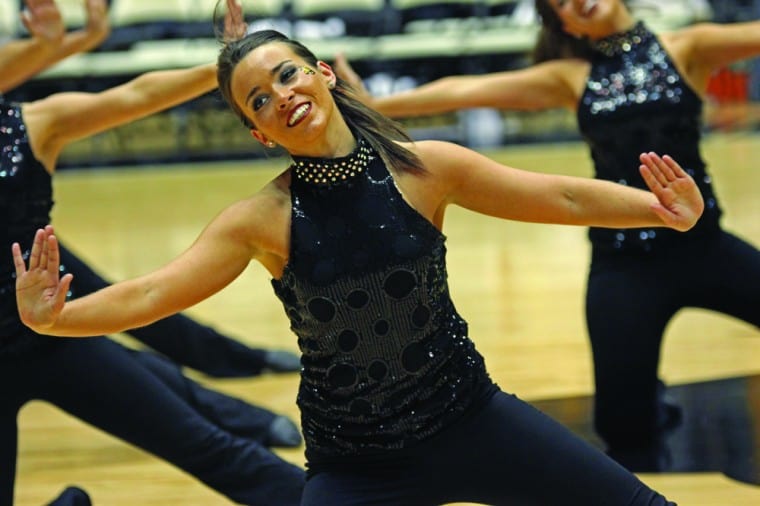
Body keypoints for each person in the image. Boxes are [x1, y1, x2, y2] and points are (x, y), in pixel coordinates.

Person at [13, 9, 705, 502]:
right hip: (360, 467)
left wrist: (658, 210)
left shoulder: (423, 168)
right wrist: (53, 318)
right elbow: (145, 296)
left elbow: (562, 198)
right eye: (260, 98)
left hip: (473, 420)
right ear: (257, 132)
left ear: (321, 75)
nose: (281, 95)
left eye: (287, 75)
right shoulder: (259, 221)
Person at [334, 0, 760, 470]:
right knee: (625, 432)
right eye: (560, 2)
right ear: (565, 23)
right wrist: (377, 105)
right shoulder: (568, 76)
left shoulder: (689, 46)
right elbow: (467, 90)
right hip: (625, 265)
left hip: (705, 246)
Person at [1, 2, 305, 505]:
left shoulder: (34, 125)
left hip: (50, 339)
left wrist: (232, 64)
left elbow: (136, 95)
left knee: (204, 446)